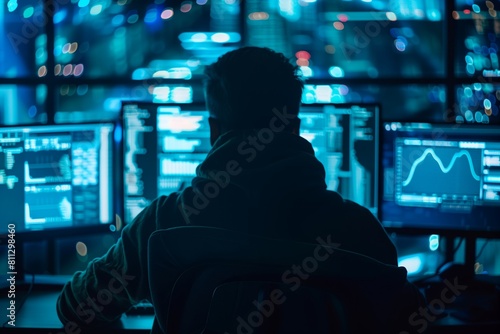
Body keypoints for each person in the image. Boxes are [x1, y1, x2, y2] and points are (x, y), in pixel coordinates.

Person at [57, 46, 409, 331]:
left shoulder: (161, 224)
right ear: (295, 126)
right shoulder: (360, 233)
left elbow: (76, 307)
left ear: (214, 131)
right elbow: (405, 319)